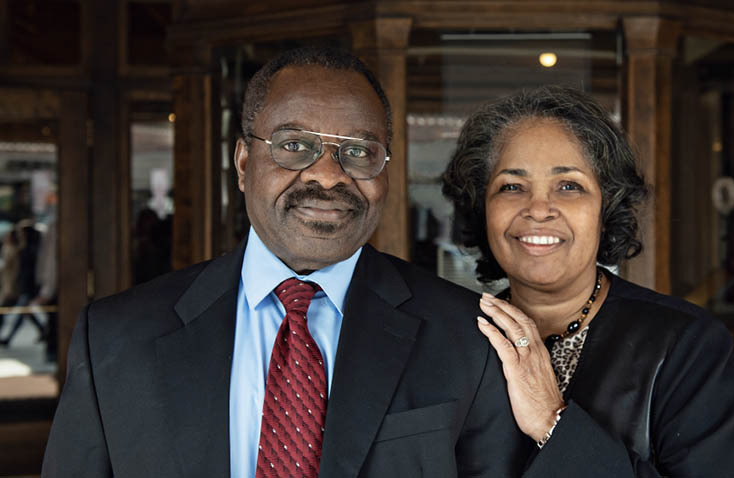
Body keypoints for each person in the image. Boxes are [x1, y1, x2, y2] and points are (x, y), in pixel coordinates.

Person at [43, 47, 528, 477]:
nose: (327, 174)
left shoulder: (471, 339)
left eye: (358, 151)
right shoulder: (115, 338)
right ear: (242, 164)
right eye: (294, 145)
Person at [442, 85, 734, 477]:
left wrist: (552, 421)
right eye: (511, 186)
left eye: (569, 186)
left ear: (606, 210)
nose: (539, 209)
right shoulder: (451, 343)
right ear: (482, 209)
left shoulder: (687, 346)